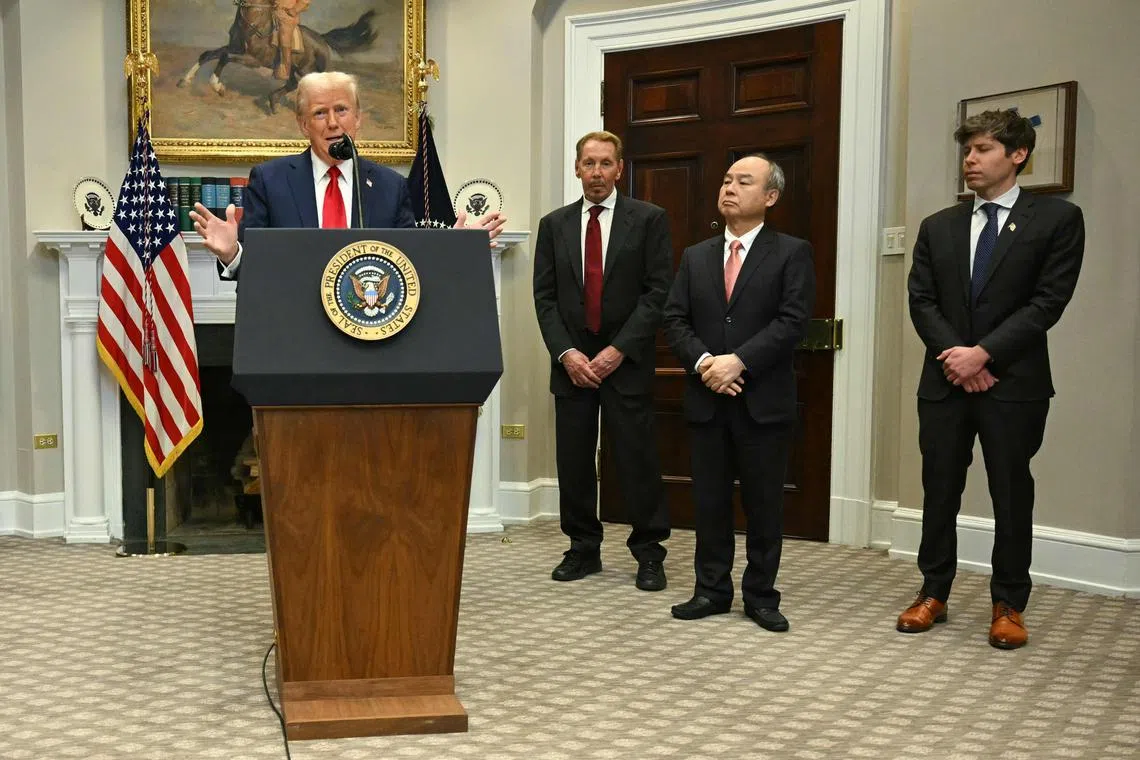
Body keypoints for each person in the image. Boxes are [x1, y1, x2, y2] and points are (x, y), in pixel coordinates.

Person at [899, 109, 1084, 650]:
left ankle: (1008, 602)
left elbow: (1048, 302)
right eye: (967, 151)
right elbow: (922, 301)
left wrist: (983, 355)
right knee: (939, 489)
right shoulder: (939, 226)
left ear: (1018, 155)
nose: (970, 161)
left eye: (982, 150)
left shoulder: (1056, 220)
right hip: (944, 380)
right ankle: (933, 591)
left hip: (1014, 382)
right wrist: (956, 357)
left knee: (1010, 489)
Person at [662, 154, 814, 632]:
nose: (729, 187)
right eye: (726, 179)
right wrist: (707, 362)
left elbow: (793, 322)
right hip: (707, 398)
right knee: (708, 502)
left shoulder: (791, 252)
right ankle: (710, 590)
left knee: (763, 504)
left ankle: (761, 596)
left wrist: (738, 361)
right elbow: (674, 319)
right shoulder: (696, 255)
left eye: (743, 181)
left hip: (762, 400)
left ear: (769, 197)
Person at [532, 130, 673, 591]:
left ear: (619, 168)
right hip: (572, 365)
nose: (596, 172)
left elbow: (657, 293)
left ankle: (649, 554)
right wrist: (567, 353)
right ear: (576, 168)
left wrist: (618, 350)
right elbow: (545, 297)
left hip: (625, 363)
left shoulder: (649, 219)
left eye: (605, 163)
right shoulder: (554, 225)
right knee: (573, 462)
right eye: (588, 163)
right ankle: (582, 549)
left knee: (636, 461)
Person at [190, 71, 504, 276]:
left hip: (371, 336)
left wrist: (454, 249)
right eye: (319, 113)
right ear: (303, 125)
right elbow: (254, 271)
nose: (332, 123)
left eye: (341, 110)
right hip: (294, 339)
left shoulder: (390, 186)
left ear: (357, 118)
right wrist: (232, 252)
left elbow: (411, 265)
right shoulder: (270, 180)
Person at [273, 0, 311, 81]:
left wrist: (293, 10)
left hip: (287, 16)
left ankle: (285, 69)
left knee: (284, 34)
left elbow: (305, 1)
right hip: (272, 11)